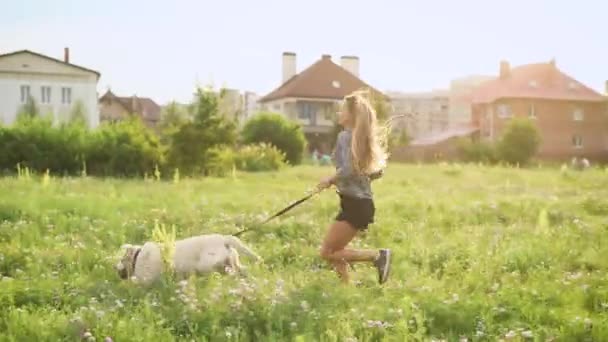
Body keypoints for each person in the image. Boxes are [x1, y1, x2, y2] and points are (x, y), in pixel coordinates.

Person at [316, 90, 391, 285]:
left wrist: (331, 179)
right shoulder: (358, 139)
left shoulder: (345, 137)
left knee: (328, 252)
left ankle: (377, 256)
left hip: (355, 205)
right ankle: (345, 289)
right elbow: (370, 173)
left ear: (351, 115)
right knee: (335, 250)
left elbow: (349, 169)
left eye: (342, 110)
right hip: (358, 204)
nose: (339, 114)